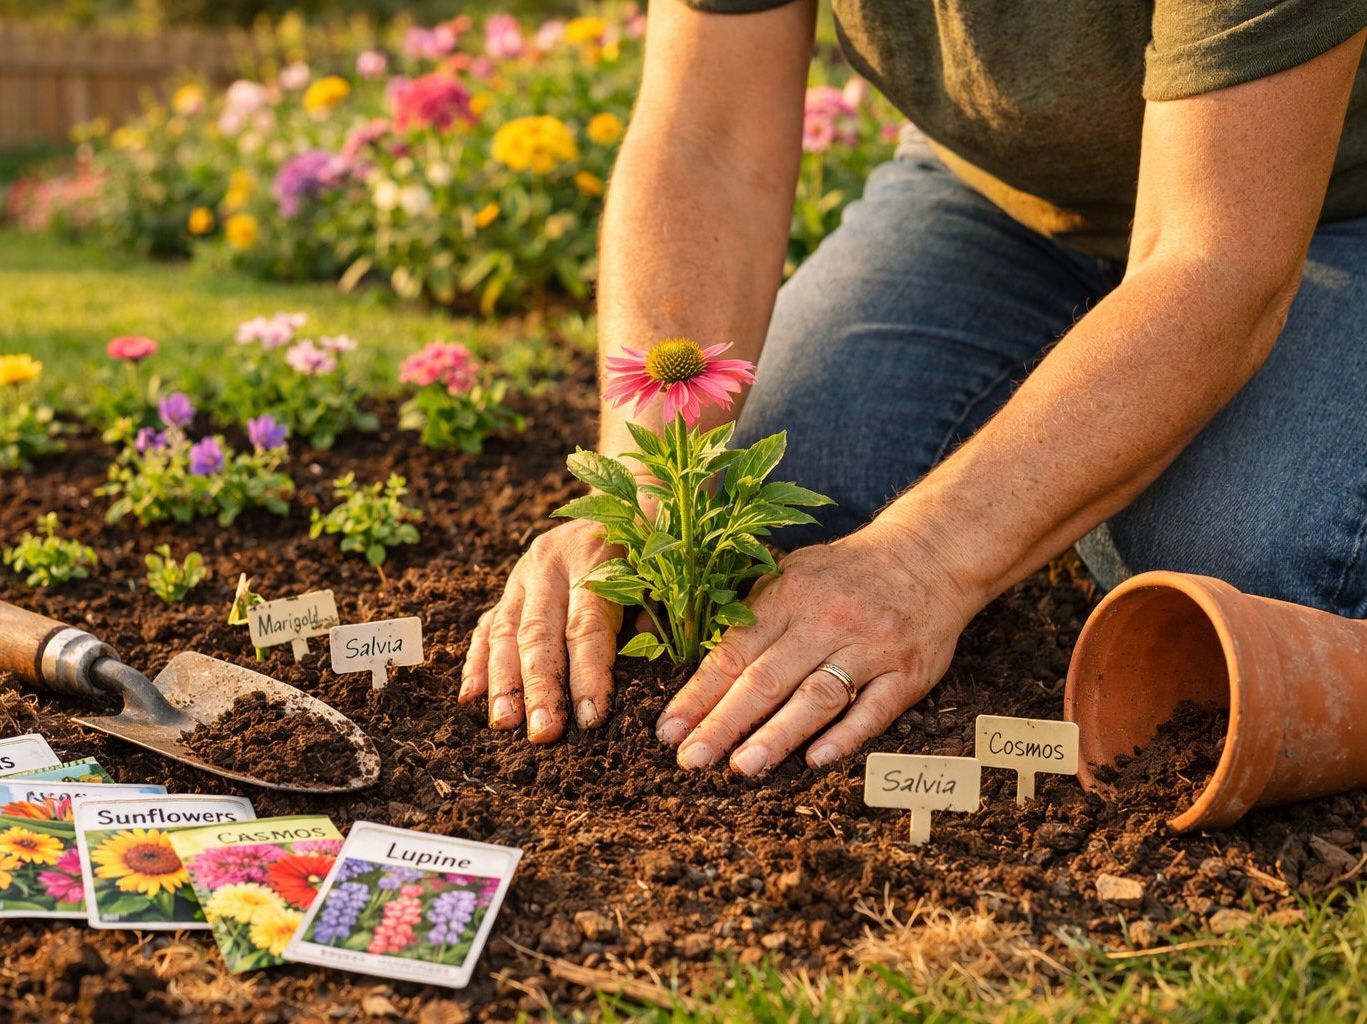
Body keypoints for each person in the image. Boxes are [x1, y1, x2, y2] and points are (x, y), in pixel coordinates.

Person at [460, 0, 1367, 777]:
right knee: (787, 494)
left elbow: (1215, 260)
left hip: (1322, 202)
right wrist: (646, 497)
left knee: (1221, 567)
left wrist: (923, 560)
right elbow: (708, 138)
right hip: (1000, 198)